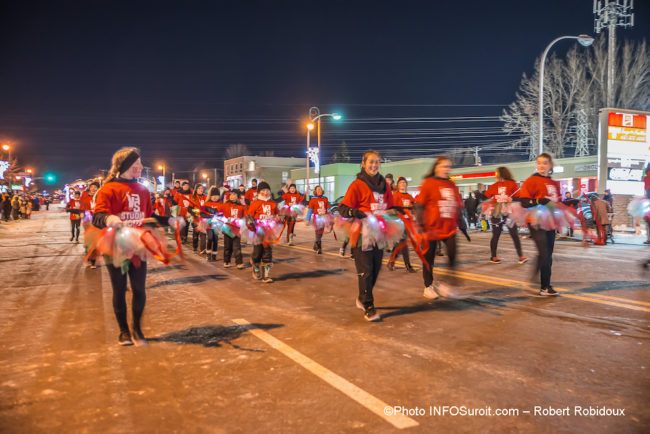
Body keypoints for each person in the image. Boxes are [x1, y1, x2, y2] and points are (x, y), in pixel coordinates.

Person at [93, 147, 154, 346]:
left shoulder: (144, 190)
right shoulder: (108, 189)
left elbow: (148, 216)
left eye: (140, 163)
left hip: (137, 243)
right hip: (116, 243)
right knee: (119, 289)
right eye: (137, 163)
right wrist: (110, 218)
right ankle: (123, 331)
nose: (141, 167)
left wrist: (170, 220)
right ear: (125, 165)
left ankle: (136, 327)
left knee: (139, 289)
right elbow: (97, 217)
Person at [338, 150, 394, 322]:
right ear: (363, 163)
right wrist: (355, 211)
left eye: (377, 162)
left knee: (376, 269)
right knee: (366, 271)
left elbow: (391, 206)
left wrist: (396, 213)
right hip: (362, 232)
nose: (374, 165)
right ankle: (368, 305)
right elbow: (343, 208)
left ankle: (362, 297)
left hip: (379, 231)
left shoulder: (385, 185)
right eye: (371, 162)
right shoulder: (357, 184)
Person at [416, 156, 464, 300]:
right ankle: (428, 286)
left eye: (449, 166)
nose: (447, 169)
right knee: (429, 259)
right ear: (436, 167)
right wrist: (421, 224)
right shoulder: (428, 183)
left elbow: (458, 205)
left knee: (453, 257)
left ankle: (443, 284)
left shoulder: (452, 185)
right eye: (444, 166)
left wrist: (462, 222)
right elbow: (420, 205)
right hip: (431, 228)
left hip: (449, 228)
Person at [520, 153, 562, 296]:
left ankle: (537, 278)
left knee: (547, 254)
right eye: (539, 163)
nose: (541, 166)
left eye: (545, 163)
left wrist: (568, 203)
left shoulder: (554, 183)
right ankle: (545, 287)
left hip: (550, 220)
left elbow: (556, 203)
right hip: (535, 220)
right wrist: (538, 201)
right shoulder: (531, 181)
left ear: (550, 165)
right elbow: (524, 202)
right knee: (544, 252)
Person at [484, 167, 526, 264]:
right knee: (498, 235)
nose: (495, 175)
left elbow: (520, 198)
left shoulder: (512, 184)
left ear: (501, 173)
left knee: (511, 234)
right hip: (498, 212)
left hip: (507, 212)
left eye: (496, 173)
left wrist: (513, 200)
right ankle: (494, 256)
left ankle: (520, 256)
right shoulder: (494, 185)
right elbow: (486, 195)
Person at [246, 181, 278, 283]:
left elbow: (277, 215)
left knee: (268, 252)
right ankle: (255, 266)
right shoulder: (255, 203)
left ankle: (266, 275)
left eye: (267, 190)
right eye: (263, 190)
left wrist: (280, 218)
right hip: (258, 231)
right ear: (259, 192)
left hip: (269, 232)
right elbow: (249, 216)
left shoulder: (273, 204)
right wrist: (251, 224)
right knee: (257, 252)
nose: (265, 192)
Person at [388, 176, 416, 272]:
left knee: (398, 244)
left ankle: (391, 262)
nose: (403, 184)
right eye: (401, 183)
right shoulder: (396, 195)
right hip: (399, 223)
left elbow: (414, 209)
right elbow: (392, 208)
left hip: (407, 223)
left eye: (404, 182)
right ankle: (408, 266)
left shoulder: (409, 196)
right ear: (398, 185)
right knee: (403, 243)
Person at [221, 190, 246, 268]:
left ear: (237, 197)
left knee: (237, 247)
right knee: (227, 246)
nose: (232, 196)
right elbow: (218, 211)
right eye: (231, 195)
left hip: (237, 229)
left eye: (234, 195)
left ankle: (239, 262)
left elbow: (246, 215)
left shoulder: (241, 207)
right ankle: (226, 261)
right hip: (227, 229)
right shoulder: (225, 205)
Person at [307, 185, 330, 254]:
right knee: (318, 231)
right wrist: (307, 219)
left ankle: (316, 244)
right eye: (318, 190)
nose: (319, 191)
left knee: (321, 232)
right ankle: (319, 248)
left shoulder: (325, 199)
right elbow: (310, 210)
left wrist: (330, 216)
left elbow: (328, 208)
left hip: (323, 217)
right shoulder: (313, 200)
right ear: (315, 191)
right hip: (316, 217)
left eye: (320, 189)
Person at [202, 187, 222, 262]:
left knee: (215, 239)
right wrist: (209, 216)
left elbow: (223, 212)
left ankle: (214, 255)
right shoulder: (207, 203)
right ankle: (208, 254)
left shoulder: (220, 203)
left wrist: (220, 216)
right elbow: (202, 213)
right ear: (210, 196)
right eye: (213, 195)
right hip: (209, 224)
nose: (215, 197)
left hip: (217, 224)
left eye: (216, 195)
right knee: (210, 238)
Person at [190, 184, 207, 254]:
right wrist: (195, 213)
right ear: (196, 189)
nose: (201, 189)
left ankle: (203, 249)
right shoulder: (193, 197)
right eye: (199, 188)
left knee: (203, 233)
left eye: (202, 188)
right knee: (196, 234)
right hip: (196, 218)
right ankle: (195, 246)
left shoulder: (205, 197)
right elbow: (190, 208)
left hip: (203, 218)